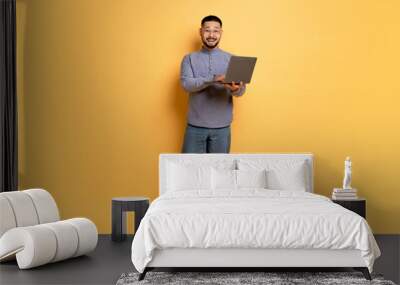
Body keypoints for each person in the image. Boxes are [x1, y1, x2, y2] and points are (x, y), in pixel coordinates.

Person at [180, 15, 246, 153]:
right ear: (200, 32)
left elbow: (241, 91)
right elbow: (186, 84)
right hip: (195, 127)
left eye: (216, 31)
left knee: (220, 172)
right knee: (190, 171)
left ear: (221, 33)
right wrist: (213, 78)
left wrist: (235, 89)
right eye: (207, 30)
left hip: (222, 128)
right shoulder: (189, 58)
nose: (211, 35)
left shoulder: (231, 59)